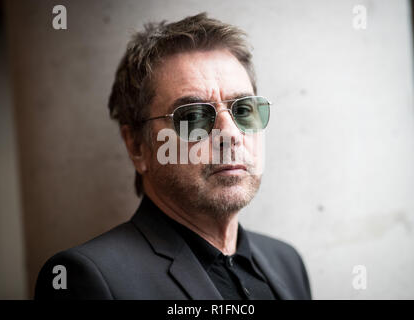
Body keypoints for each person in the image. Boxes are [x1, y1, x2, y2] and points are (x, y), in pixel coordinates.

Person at [35, 12, 311, 300]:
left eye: (243, 110)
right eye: (192, 116)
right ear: (137, 147)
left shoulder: (287, 262)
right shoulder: (85, 279)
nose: (230, 134)